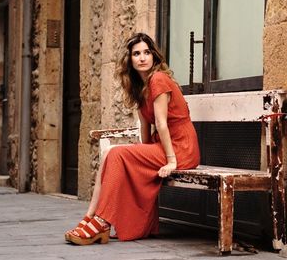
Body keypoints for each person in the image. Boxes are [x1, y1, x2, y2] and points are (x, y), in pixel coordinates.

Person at [65, 32, 200, 245]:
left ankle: (101, 221)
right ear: (130, 59)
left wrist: (171, 161)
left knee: (118, 153)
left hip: (181, 147)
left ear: (154, 56)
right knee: (112, 153)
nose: (142, 57)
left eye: (147, 52)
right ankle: (91, 215)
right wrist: (142, 155)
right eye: (136, 54)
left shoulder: (158, 79)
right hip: (162, 146)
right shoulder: (139, 86)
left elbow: (162, 124)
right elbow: (146, 129)